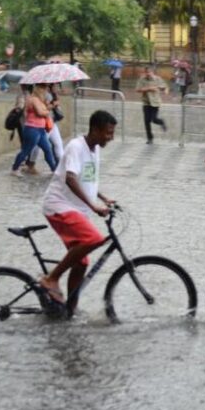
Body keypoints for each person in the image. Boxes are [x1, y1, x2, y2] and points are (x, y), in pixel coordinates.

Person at [38, 111, 118, 310]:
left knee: (81, 263)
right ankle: (51, 278)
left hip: (77, 210)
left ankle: (70, 310)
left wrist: (104, 198)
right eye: (108, 133)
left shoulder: (95, 149)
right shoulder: (76, 146)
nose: (111, 137)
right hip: (59, 206)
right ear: (96, 130)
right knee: (94, 239)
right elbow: (71, 178)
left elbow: (87, 180)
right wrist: (94, 207)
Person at [11, 83, 57, 176]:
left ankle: (54, 170)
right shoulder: (33, 99)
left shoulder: (39, 100)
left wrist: (47, 108)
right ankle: (14, 169)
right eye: (44, 88)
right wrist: (47, 111)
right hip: (32, 129)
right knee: (25, 150)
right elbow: (40, 112)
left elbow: (44, 110)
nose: (46, 91)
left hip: (40, 129)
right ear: (39, 89)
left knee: (47, 149)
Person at [28, 83, 65, 169]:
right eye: (55, 86)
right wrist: (54, 104)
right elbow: (42, 109)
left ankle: (62, 167)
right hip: (44, 124)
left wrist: (57, 104)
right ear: (50, 86)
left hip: (52, 123)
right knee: (39, 146)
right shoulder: (44, 95)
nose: (57, 88)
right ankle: (30, 163)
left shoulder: (53, 95)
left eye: (57, 86)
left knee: (58, 144)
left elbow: (58, 110)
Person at [136, 65, 168, 144]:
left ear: (152, 72)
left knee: (154, 119)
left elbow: (164, 86)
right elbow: (138, 89)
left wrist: (164, 90)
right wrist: (149, 88)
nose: (148, 74)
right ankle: (150, 138)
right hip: (146, 102)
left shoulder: (157, 79)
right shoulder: (142, 79)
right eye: (146, 72)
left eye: (149, 72)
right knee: (147, 121)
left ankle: (161, 122)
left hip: (155, 102)